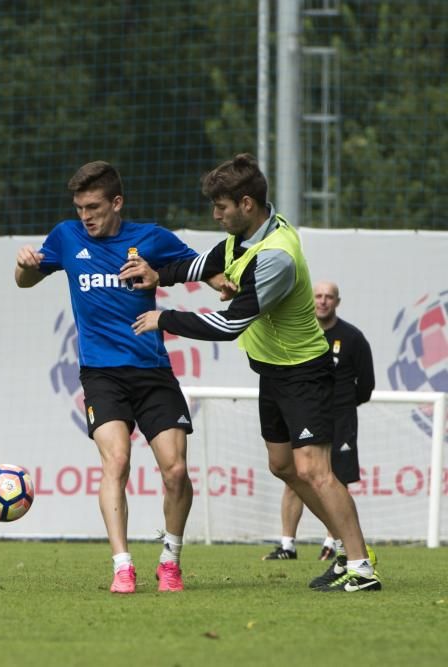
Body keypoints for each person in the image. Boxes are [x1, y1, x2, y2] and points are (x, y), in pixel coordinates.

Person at [124, 153, 381, 592]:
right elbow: (202, 265)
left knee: (315, 469)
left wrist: (163, 318)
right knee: (283, 466)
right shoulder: (240, 238)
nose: (215, 215)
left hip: (305, 373)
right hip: (275, 373)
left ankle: (360, 566)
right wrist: (156, 275)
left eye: (220, 207)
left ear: (246, 204)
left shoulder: (276, 256)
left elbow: (229, 325)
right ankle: (345, 547)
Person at [15, 160, 209, 594]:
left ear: (116, 203)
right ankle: (122, 565)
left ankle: (170, 560)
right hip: (101, 374)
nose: (86, 215)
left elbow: (199, 268)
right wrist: (25, 263)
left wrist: (224, 282)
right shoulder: (66, 237)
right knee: (116, 461)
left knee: (175, 471)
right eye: (80, 207)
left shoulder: (151, 238)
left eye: (94, 206)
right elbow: (24, 281)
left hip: (154, 373)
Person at [263, 281, 375, 561]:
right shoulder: (297, 333)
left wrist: (345, 404)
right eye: (318, 296)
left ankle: (337, 544)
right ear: (309, 299)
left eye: (329, 297)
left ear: (338, 301)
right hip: (303, 412)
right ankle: (288, 544)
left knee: (334, 476)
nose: (323, 301)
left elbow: (366, 383)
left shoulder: (352, 337)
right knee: (294, 473)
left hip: (339, 415)